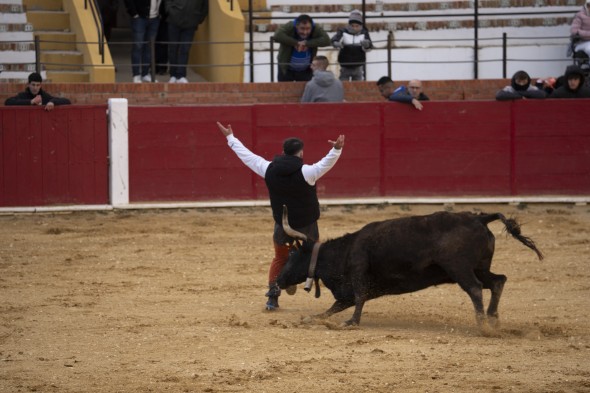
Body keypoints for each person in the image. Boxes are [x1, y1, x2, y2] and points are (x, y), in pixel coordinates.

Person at [216, 122, 345, 311]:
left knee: (279, 258)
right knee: (316, 256)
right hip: (306, 224)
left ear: (283, 152)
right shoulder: (307, 172)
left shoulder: (268, 168)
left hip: (283, 225)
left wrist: (231, 138)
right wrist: (336, 149)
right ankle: (327, 288)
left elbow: (247, 157)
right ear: (300, 153)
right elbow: (326, 163)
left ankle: (273, 298)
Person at [273, 14, 331, 82]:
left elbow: (327, 40)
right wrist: (296, 43)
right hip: (286, 68)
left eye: (308, 29)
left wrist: (307, 43)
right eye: (302, 28)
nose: (305, 32)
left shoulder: (316, 28)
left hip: (306, 70)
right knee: (283, 90)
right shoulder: (290, 26)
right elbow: (277, 36)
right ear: (296, 26)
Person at [165, 0, 208, 83]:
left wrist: (198, 19)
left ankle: (181, 75)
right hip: (174, 22)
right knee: (173, 49)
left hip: (190, 24)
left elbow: (205, 7)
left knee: (185, 49)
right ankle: (173, 75)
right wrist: (169, 10)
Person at [124, 0, 162, 83]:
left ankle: (145, 74)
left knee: (149, 47)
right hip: (140, 18)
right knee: (138, 46)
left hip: (155, 18)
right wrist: (134, 13)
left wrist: (160, 14)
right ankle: (136, 74)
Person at [331, 9, 373, 81]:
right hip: (345, 64)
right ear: (349, 25)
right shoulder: (343, 31)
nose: (355, 28)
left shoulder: (364, 32)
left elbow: (370, 46)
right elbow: (334, 39)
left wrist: (367, 45)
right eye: (352, 26)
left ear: (360, 25)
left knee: (358, 86)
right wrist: (336, 43)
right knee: (344, 85)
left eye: (357, 26)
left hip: (358, 65)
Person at [4, 72, 71, 111]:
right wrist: (31, 102)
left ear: (40, 85)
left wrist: (52, 102)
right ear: (28, 84)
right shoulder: (23, 95)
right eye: (33, 85)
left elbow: (67, 101)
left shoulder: (44, 96)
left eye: (37, 85)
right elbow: (8, 102)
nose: (35, 88)